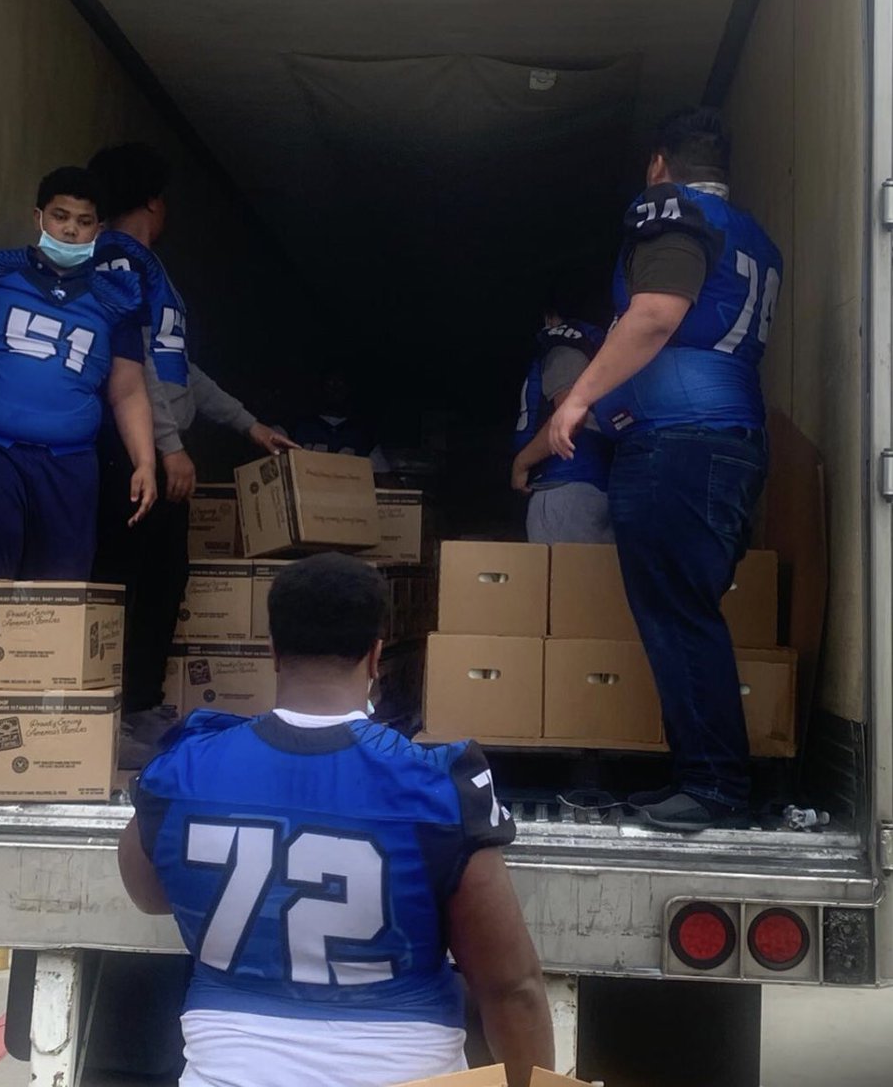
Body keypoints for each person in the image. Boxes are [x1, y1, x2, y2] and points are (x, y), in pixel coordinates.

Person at [119, 553, 554, 1087]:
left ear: (274, 651)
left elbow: (150, 895)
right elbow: (511, 988)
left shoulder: (181, 768)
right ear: (375, 657)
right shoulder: (437, 787)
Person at [515, 107, 782, 832]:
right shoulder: (752, 235)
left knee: (680, 617)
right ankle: (701, 777)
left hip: (680, 446)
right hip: (725, 441)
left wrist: (578, 404)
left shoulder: (670, 210)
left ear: (659, 164)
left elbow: (657, 313)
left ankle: (713, 787)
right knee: (686, 613)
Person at [0, 167, 156, 792]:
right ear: (39, 215)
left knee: (54, 604)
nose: (72, 229)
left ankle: (33, 738)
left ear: (100, 229)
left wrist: (144, 457)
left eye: (85, 220)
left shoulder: (116, 298)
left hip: (67, 462)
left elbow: (125, 388)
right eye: (62, 216)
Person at [86, 143, 295, 722]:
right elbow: (134, 370)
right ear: (154, 201)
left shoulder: (150, 270)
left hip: (153, 445)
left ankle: (139, 707)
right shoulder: (118, 264)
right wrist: (169, 447)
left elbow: (181, 368)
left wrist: (250, 425)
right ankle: (121, 711)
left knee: (160, 577)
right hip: (130, 449)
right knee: (129, 582)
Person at [511, 309, 614, 543]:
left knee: (561, 575)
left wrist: (521, 463)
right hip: (596, 482)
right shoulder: (604, 348)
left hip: (566, 486)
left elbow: (570, 418)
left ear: (549, 316)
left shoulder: (563, 349)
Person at [286, 369, 391, 473]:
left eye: (340, 384)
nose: (334, 390)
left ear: (349, 389)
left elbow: (384, 478)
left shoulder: (364, 437)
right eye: (329, 384)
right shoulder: (295, 427)